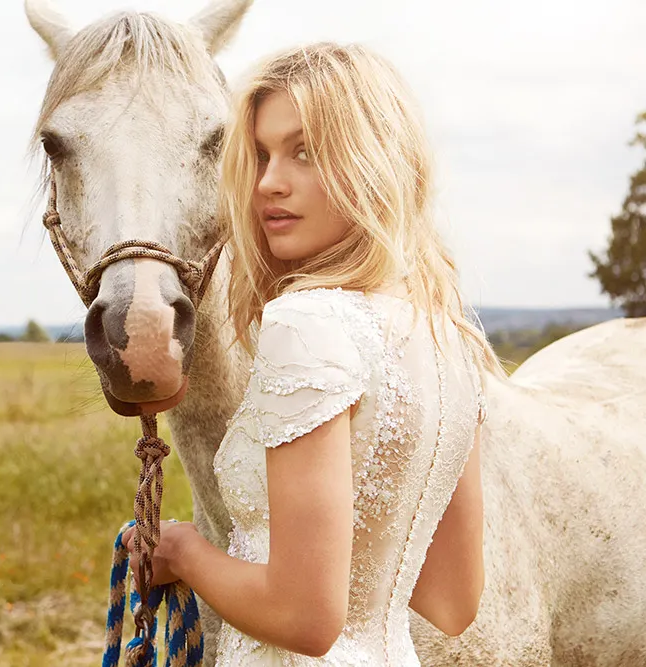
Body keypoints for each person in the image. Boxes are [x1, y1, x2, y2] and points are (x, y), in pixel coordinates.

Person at [122, 42, 505, 665]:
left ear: (375, 161)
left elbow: (304, 618)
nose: (270, 182)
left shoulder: (306, 323)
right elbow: (452, 601)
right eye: (263, 154)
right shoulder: (446, 337)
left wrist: (185, 554)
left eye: (306, 152)